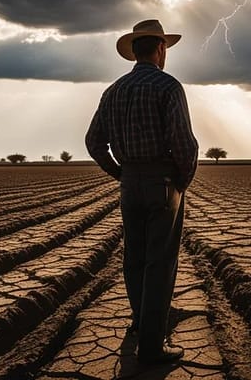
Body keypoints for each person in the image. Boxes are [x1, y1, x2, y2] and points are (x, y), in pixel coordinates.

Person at [85, 19, 199, 364]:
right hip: (162, 182)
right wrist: (182, 179)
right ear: (161, 49)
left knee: (134, 259)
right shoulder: (168, 86)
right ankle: (152, 346)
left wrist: (119, 172)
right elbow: (184, 142)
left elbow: (93, 142)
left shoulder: (114, 90)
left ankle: (139, 325)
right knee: (160, 262)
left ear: (134, 51)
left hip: (129, 183)